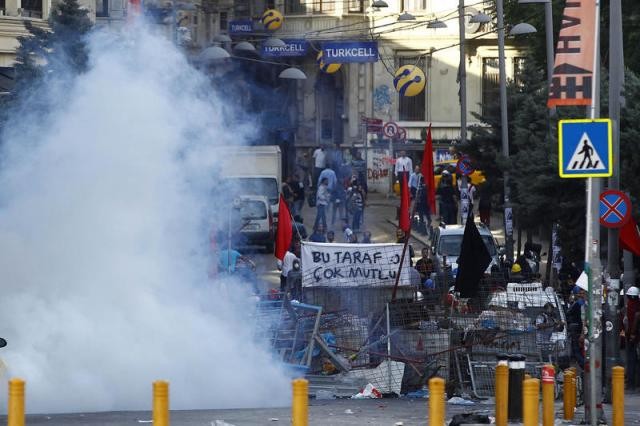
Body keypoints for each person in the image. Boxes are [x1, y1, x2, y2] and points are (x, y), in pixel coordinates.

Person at [566, 285, 586, 369]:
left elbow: (569, 313)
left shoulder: (579, 304)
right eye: (579, 293)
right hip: (581, 329)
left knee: (577, 349)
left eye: (582, 293)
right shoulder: (580, 303)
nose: (580, 295)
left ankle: (584, 366)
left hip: (578, 329)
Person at [625, 286, 640, 390]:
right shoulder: (636, 304)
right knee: (634, 359)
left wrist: (631, 333)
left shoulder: (630, 305)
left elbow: (634, 318)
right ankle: (633, 382)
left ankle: (631, 382)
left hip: (632, 335)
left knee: (632, 359)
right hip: (634, 335)